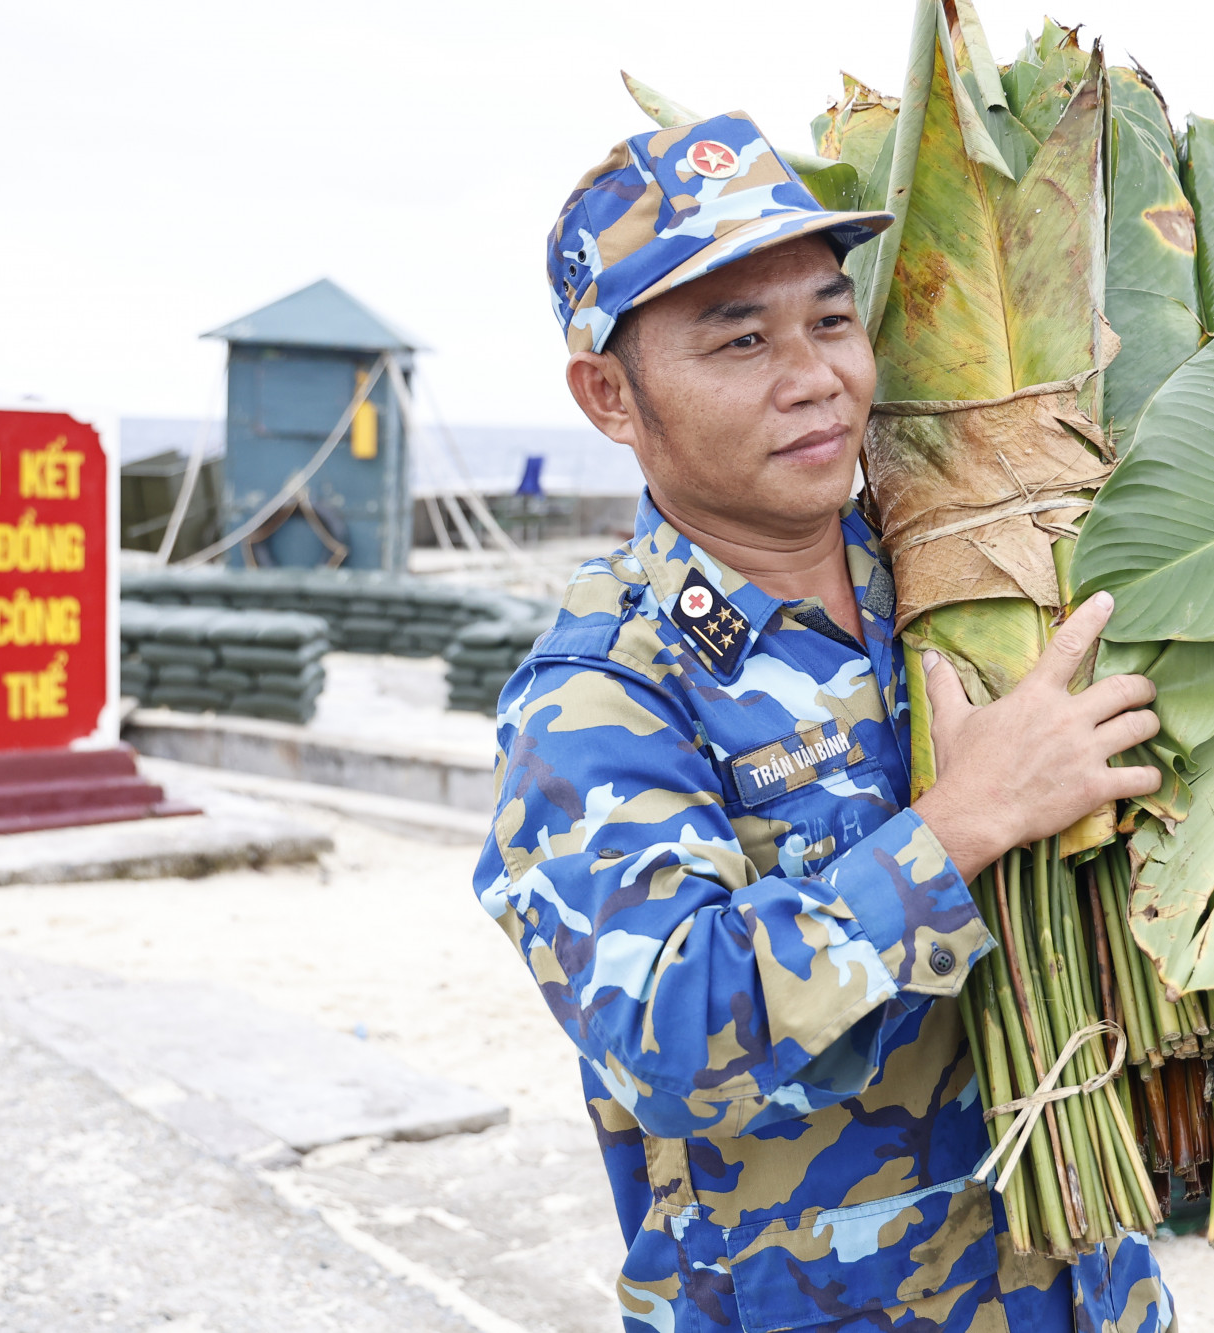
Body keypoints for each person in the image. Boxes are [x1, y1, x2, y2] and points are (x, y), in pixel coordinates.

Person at [474, 111, 1175, 1333]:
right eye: (739, 339)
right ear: (609, 396)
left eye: (829, 319)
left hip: (1087, 1292)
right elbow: (673, 1038)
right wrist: (960, 824)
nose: (814, 378)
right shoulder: (601, 693)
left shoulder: (959, 577)